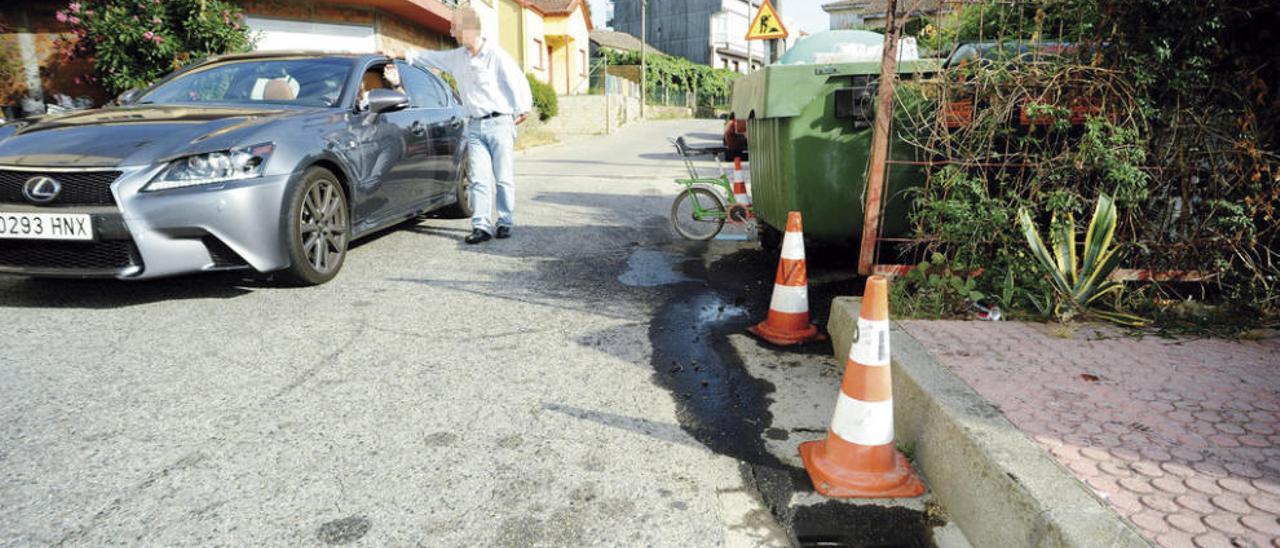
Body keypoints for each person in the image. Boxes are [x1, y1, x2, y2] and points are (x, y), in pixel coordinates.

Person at [403, 6, 533, 244]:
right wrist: (405, 55)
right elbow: (431, 57)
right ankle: (481, 226)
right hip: (474, 126)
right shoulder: (457, 57)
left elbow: (517, 81)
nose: (452, 33)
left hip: (500, 123)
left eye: (455, 28)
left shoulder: (495, 55)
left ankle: (504, 220)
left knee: (503, 178)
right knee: (478, 179)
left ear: (468, 28)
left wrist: (523, 107)